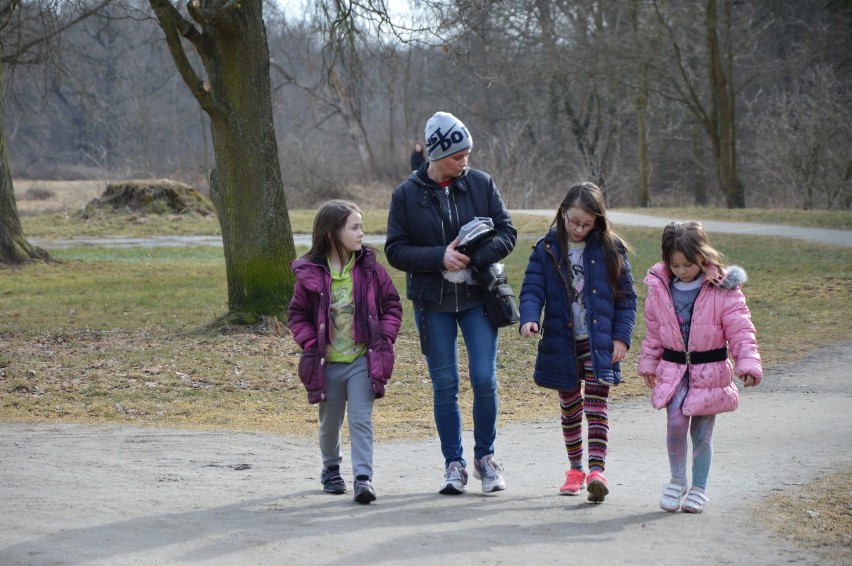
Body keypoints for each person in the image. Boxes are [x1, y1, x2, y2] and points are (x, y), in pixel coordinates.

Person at [386, 111, 517, 495]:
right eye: (459, 155)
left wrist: (475, 257)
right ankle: (454, 465)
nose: (466, 162)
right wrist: (438, 258)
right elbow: (395, 250)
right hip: (432, 304)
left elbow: (508, 232)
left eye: (468, 154)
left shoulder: (481, 184)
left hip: (479, 299)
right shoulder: (406, 195)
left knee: (484, 380)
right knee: (445, 385)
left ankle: (486, 460)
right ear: (437, 154)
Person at [518, 182, 637, 503]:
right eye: (573, 221)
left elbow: (627, 300)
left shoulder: (611, 250)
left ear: (598, 220)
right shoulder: (546, 249)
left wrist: (621, 339)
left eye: (587, 223)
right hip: (563, 343)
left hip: (599, 345)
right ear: (562, 214)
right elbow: (532, 289)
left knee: (597, 408)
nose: (579, 228)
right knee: (570, 409)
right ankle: (575, 470)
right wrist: (529, 317)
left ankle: (597, 472)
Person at [638, 221, 762, 514]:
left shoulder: (723, 289)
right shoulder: (659, 287)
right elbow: (654, 331)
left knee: (702, 434)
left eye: (688, 264)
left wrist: (747, 363)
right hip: (673, 371)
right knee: (675, 426)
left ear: (703, 257)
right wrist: (649, 365)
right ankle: (677, 480)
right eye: (675, 265)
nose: (682, 271)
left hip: (710, 373)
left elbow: (741, 329)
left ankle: (699, 488)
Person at [287, 200, 402, 505]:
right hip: (328, 365)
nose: (362, 233)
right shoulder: (312, 274)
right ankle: (331, 468)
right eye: (355, 227)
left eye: (361, 226)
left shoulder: (369, 270)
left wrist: (385, 337)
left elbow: (392, 304)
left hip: (362, 361)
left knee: (361, 420)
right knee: (330, 424)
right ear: (331, 233)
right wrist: (310, 342)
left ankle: (363, 478)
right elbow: (297, 314)